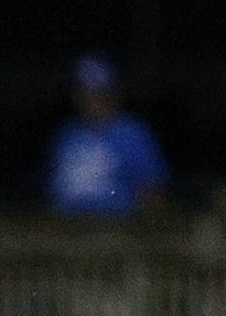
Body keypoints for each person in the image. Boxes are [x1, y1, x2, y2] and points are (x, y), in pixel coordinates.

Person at [47, 56, 165, 218]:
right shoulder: (67, 134)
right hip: (68, 226)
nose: (91, 100)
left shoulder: (132, 133)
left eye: (98, 92)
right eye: (84, 92)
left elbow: (153, 190)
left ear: (113, 93)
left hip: (116, 225)